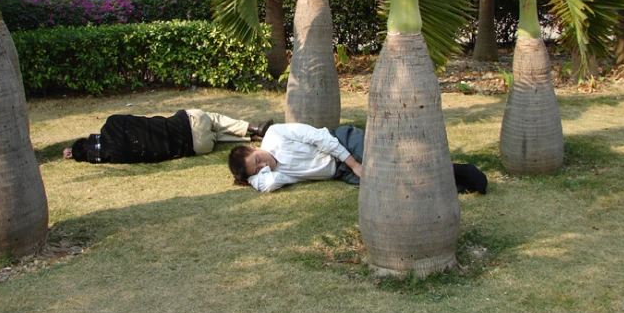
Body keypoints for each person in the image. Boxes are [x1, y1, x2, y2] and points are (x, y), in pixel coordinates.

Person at [228, 122, 488, 194]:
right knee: (390, 183)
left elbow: (320, 137)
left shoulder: (276, 134)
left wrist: (355, 163)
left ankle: (455, 169)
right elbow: (269, 184)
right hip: (341, 172)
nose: (264, 164)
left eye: (258, 158)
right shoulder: (271, 176)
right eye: (258, 168)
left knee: (394, 160)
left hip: (342, 143)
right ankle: (453, 185)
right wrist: (253, 176)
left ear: (255, 147)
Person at [63, 109, 274, 164]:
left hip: (197, 148)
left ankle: (248, 140)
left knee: (214, 137)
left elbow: (99, 150)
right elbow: (105, 135)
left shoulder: (116, 157)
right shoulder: (113, 124)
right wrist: (80, 146)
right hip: (189, 124)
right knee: (212, 119)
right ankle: (252, 127)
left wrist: (78, 154)